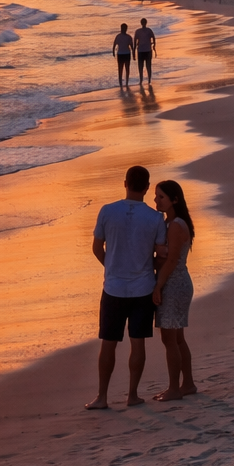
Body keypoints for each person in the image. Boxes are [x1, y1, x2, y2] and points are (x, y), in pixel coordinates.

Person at [86, 165, 169, 410]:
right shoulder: (155, 218)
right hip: (143, 287)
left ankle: (102, 396)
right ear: (146, 187)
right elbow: (161, 255)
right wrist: (146, 265)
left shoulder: (107, 211)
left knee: (108, 343)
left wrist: (111, 266)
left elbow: (96, 248)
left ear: (125, 183)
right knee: (137, 342)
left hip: (113, 287)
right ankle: (132, 395)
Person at [151, 179, 196, 402]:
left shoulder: (177, 225)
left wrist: (158, 285)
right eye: (155, 196)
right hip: (174, 282)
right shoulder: (171, 223)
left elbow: (171, 261)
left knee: (170, 339)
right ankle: (187, 383)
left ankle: (174, 388)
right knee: (177, 338)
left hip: (174, 284)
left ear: (174, 200)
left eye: (161, 197)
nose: (156, 200)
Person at [134, 18, 156, 85]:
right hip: (147, 50)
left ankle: (141, 80)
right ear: (146, 23)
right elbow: (153, 38)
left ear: (141, 23)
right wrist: (154, 46)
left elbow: (135, 41)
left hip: (141, 51)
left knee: (141, 66)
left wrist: (134, 51)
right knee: (148, 66)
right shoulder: (149, 30)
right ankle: (148, 80)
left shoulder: (138, 31)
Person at [112, 23, 134, 87]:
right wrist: (113, 51)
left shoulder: (124, 37)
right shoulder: (124, 37)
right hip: (123, 54)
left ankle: (125, 83)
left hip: (124, 54)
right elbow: (114, 45)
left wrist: (133, 54)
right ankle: (122, 83)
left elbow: (131, 46)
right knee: (122, 69)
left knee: (124, 69)